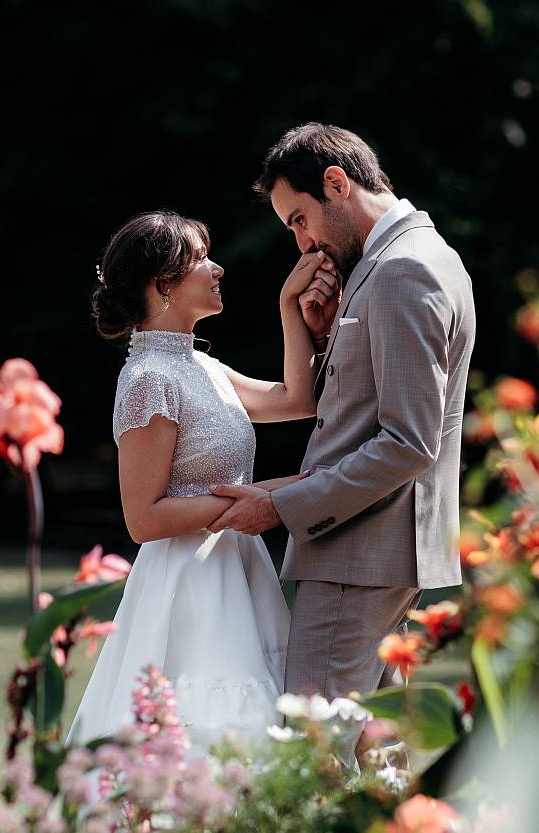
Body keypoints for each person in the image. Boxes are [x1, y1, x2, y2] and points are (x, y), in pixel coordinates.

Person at [208, 123, 476, 767]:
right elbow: (362, 411)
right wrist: (324, 334)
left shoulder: (404, 269)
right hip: (377, 551)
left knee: (314, 755)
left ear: (337, 183)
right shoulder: (394, 261)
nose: (303, 244)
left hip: (360, 554)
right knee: (376, 757)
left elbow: (408, 442)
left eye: (300, 220)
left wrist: (283, 506)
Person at [66, 209, 338, 750]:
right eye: (201, 259)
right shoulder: (148, 380)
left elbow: (298, 399)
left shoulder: (204, 367)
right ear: (164, 284)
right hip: (190, 588)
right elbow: (143, 519)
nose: (218, 269)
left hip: (240, 571)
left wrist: (290, 308)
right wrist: (266, 497)